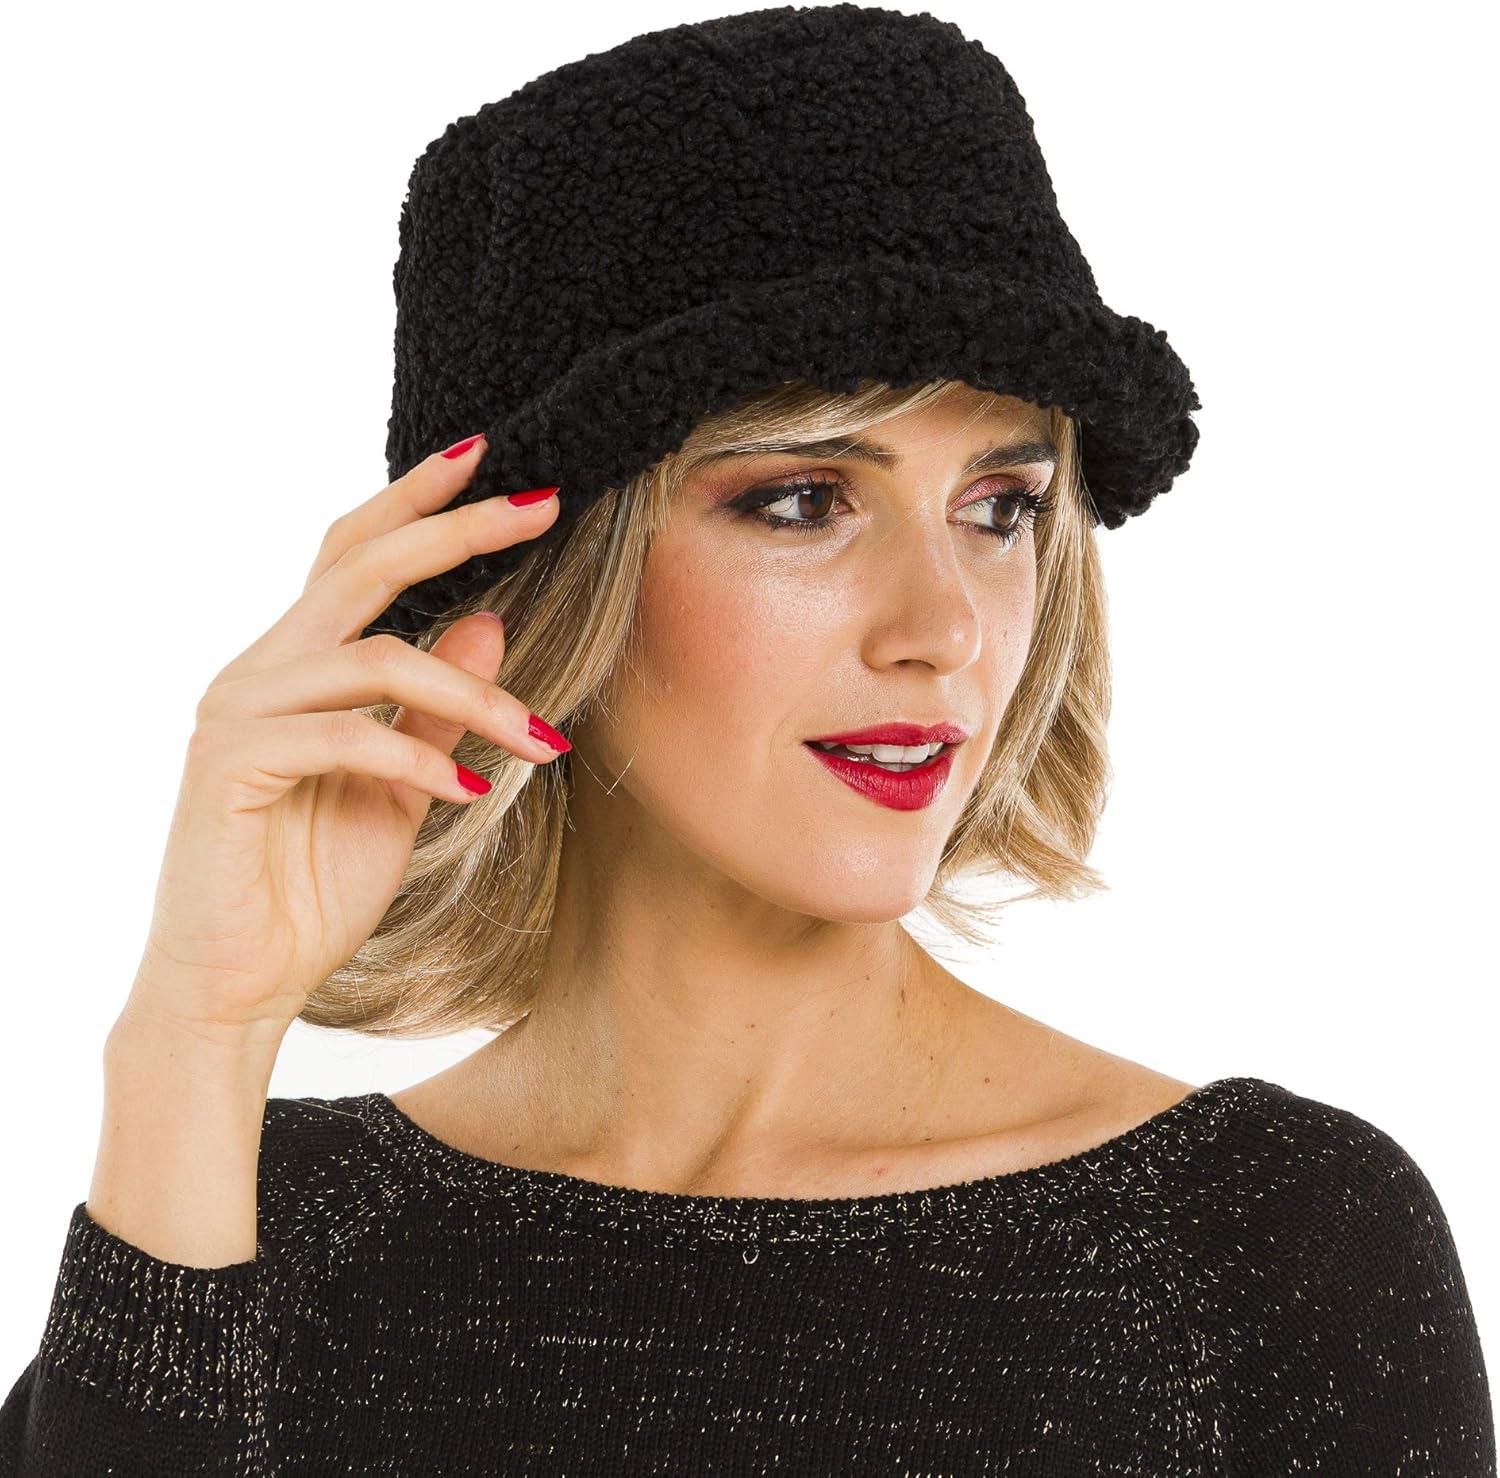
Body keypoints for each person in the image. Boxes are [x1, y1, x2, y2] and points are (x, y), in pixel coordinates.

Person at [3, 6, 1493, 1475]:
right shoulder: (236, 1228)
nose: (943, 627)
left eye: (1000, 507)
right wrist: (192, 1037)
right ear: (533, 568)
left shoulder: (1264, 1248)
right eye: (801, 501)